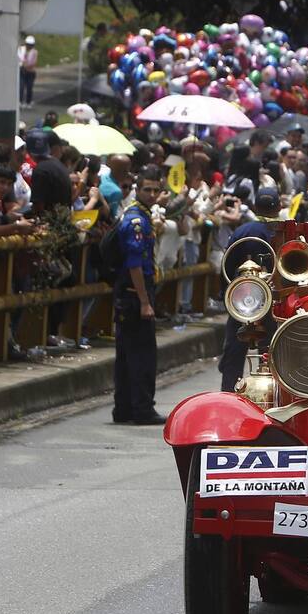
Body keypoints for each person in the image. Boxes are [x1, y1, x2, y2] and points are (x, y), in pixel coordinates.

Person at [112, 170, 166, 425]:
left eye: (156, 190)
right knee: (142, 355)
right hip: (135, 294)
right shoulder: (136, 221)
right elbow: (135, 264)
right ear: (137, 190)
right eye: (147, 190)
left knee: (126, 353)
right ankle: (142, 409)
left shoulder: (141, 214)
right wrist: (145, 302)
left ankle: (123, 408)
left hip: (131, 293)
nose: (152, 195)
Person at [218, 187, 280, 392]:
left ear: (254, 207)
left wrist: (226, 295)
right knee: (272, 350)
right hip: (271, 300)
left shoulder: (242, 231)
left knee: (234, 353)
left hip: (242, 300)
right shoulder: (282, 231)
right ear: (278, 207)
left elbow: (226, 267)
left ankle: (228, 394)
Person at [18, 35, 38, 106]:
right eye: (28, 44)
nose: (29, 46)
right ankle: (20, 101)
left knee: (29, 87)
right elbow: (19, 59)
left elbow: (33, 62)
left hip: (30, 72)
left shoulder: (34, 52)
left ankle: (28, 102)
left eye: (31, 45)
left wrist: (26, 65)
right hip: (22, 71)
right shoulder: (21, 49)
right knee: (21, 86)